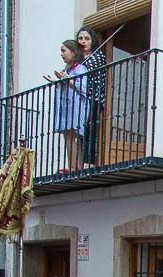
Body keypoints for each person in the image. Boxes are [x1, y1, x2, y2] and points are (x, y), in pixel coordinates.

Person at [50, 40, 88, 173]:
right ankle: (73, 166)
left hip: (75, 107)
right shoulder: (67, 70)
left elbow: (83, 88)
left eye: (63, 50)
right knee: (67, 137)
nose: (61, 54)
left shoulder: (80, 69)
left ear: (73, 52)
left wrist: (67, 80)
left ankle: (75, 167)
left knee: (72, 137)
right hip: (66, 107)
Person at [76, 28, 106, 168]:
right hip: (80, 99)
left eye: (86, 38)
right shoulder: (78, 59)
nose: (83, 41)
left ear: (92, 41)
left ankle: (90, 163)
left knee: (90, 131)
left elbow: (87, 75)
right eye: (80, 38)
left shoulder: (97, 56)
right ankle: (80, 163)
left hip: (93, 98)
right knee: (80, 132)